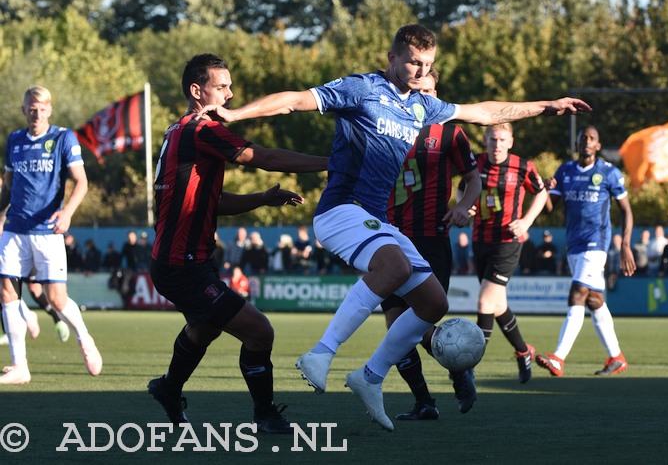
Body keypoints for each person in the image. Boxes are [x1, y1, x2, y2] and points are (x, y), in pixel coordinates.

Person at [199, 24, 590, 431]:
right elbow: (294, 101)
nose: (421, 71)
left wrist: (547, 105)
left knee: (434, 304)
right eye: (413, 62)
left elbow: (486, 112)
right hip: (340, 211)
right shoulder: (361, 89)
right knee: (397, 269)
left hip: (375, 221)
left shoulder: (423, 106)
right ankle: (321, 353)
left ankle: (370, 376)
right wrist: (236, 113)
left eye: (428, 65)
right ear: (392, 58)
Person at [146, 53, 328, 432]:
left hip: (185, 261)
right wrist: (333, 161)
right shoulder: (202, 131)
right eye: (221, 86)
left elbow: (213, 202)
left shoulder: (177, 130)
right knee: (259, 330)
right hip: (182, 265)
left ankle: (168, 388)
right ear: (197, 91)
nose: (230, 94)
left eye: (230, 85)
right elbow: (264, 156)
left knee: (205, 328)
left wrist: (261, 198)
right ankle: (265, 415)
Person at [382, 69, 482, 420]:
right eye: (415, 91)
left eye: (427, 91)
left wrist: (463, 208)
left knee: (419, 324)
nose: (421, 98)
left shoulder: (452, 134)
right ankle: (425, 401)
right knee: (397, 329)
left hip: (430, 240)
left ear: (436, 93)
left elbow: (473, 181)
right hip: (389, 239)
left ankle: (458, 368)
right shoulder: (388, 127)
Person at [0, 85, 102, 384]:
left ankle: (84, 338)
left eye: (42, 108)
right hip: (15, 229)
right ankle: (20, 366)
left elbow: (81, 182)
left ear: (50, 110)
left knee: (56, 299)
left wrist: (68, 213)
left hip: (48, 230)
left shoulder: (63, 138)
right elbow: (7, 188)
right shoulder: (15, 141)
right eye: (32, 108)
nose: (37, 112)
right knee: (6, 291)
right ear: (24, 110)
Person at [535, 125, 636, 377]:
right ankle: (616, 357)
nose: (587, 142)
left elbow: (626, 210)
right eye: (583, 138)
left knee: (577, 294)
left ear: (598, 146)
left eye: (592, 138)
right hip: (574, 245)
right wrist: (542, 188)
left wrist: (624, 244)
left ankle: (558, 358)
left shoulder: (608, 173)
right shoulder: (566, 170)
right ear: (577, 144)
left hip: (596, 243)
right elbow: (549, 208)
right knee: (594, 300)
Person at [469, 122, 549, 384]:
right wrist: (465, 206)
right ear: (485, 140)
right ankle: (524, 351)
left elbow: (541, 192)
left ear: (511, 142)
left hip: (508, 241)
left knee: (484, 303)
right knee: (498, 305)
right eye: (493, 140)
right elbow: (464, 190)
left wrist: (526, 222)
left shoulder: (523, 166)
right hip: (481, 240)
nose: (497, 145)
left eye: (502, 140)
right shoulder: (475, 163)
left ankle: (469, 365)